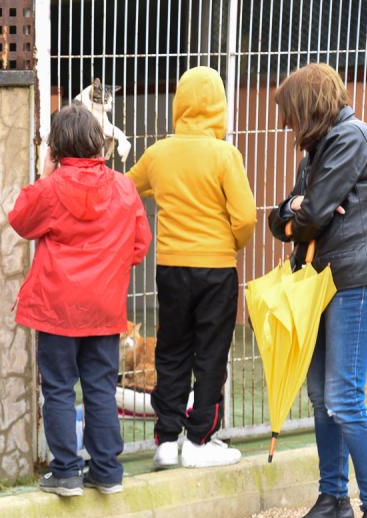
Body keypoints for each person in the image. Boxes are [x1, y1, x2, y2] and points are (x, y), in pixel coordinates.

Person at [268, 63, 367, 518]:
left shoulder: (349, 139)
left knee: (342, 397)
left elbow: (310, 213)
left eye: (291, 115)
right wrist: (298, 210)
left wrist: (301, 210)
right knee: (321, 395)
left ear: (308, 106)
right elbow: (285, 218)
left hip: (354, 280)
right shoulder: (321, 146)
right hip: (323, 281)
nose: (287, 126)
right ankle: (333, 501)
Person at [8, 104, 151, 496]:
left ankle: (66, 471)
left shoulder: (51, 187)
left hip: (57, 309)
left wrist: (43, 172)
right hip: (105, 308)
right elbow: (140, 244)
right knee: (101, 388)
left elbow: (20, 219)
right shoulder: (123, 187)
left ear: (55, 147)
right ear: (97, 144)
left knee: (57, 388)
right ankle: (106, 470)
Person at [126, 66, 257, 469]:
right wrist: (229, 245)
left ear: (178, 104)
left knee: (172, 351)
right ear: (220, 106)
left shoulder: (159, 154)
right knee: (211, 354)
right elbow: (247, 217)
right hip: (216, 269)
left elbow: (126, 189)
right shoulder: (224, 155)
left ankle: (166, 440)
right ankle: (199, 440)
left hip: (171, 269)